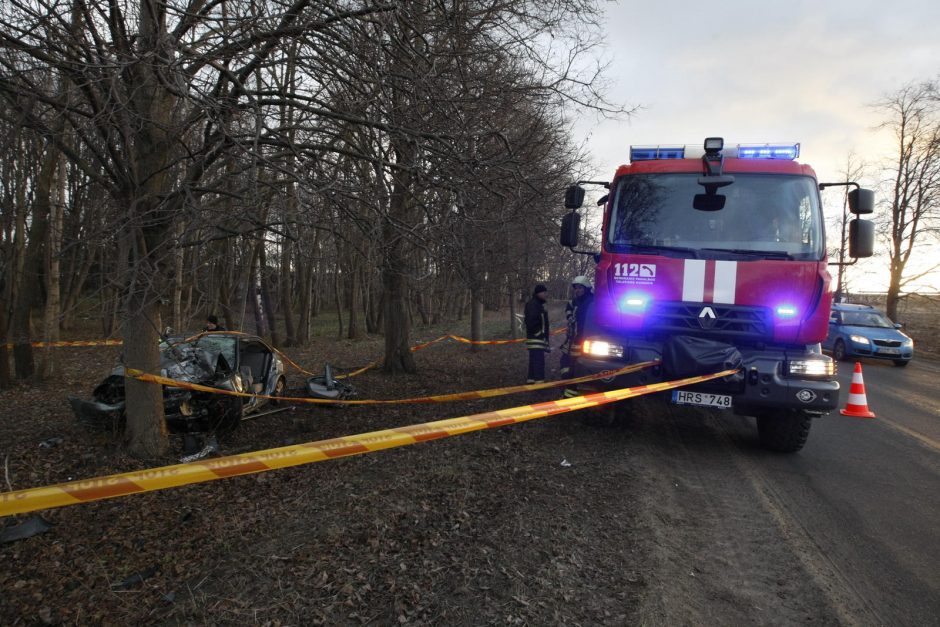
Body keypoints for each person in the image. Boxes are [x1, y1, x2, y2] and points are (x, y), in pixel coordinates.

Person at [560, 276, 594, 398]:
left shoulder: (591, 301)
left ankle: (570, 391)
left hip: (582, 339)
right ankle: (566, 382)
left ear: (586, 288)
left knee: (574, 364)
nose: (577, 290)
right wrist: (569, 317)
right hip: (572, 338)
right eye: (576, 288)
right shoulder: (575, 301)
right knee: (565, 360)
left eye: (580, 288)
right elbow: (568, 307)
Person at [524, 284, 550, 383]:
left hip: (537, 338)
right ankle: (539, 384)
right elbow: (530, 322)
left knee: (533, 361)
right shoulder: (533, 304)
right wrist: (539, 334)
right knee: (539, 361)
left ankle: (531, 380)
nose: (546, 294)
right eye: (544, 292)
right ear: (538, 293)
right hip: (536, 338)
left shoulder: (538, 304)